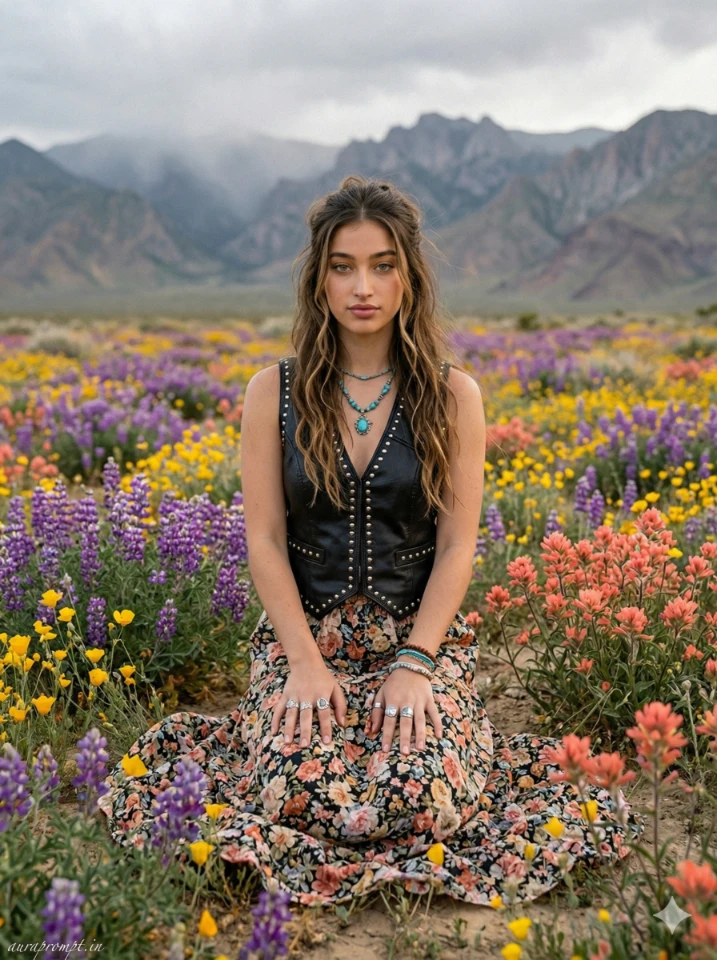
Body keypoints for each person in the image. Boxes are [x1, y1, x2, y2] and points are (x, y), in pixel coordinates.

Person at [99, 175, 644, 907]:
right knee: (297, 790)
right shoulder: (274, 390)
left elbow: (456, 546)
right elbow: (262, 538)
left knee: (423, 795)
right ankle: (284, 729)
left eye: (382, 265)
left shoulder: (453, 394)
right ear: (318, 278)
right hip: (306, 636)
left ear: (408, 277)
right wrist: (301, 661)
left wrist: (417, 663)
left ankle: (439, 728)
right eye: (343, 265)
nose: (363, 285)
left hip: (414, 636)